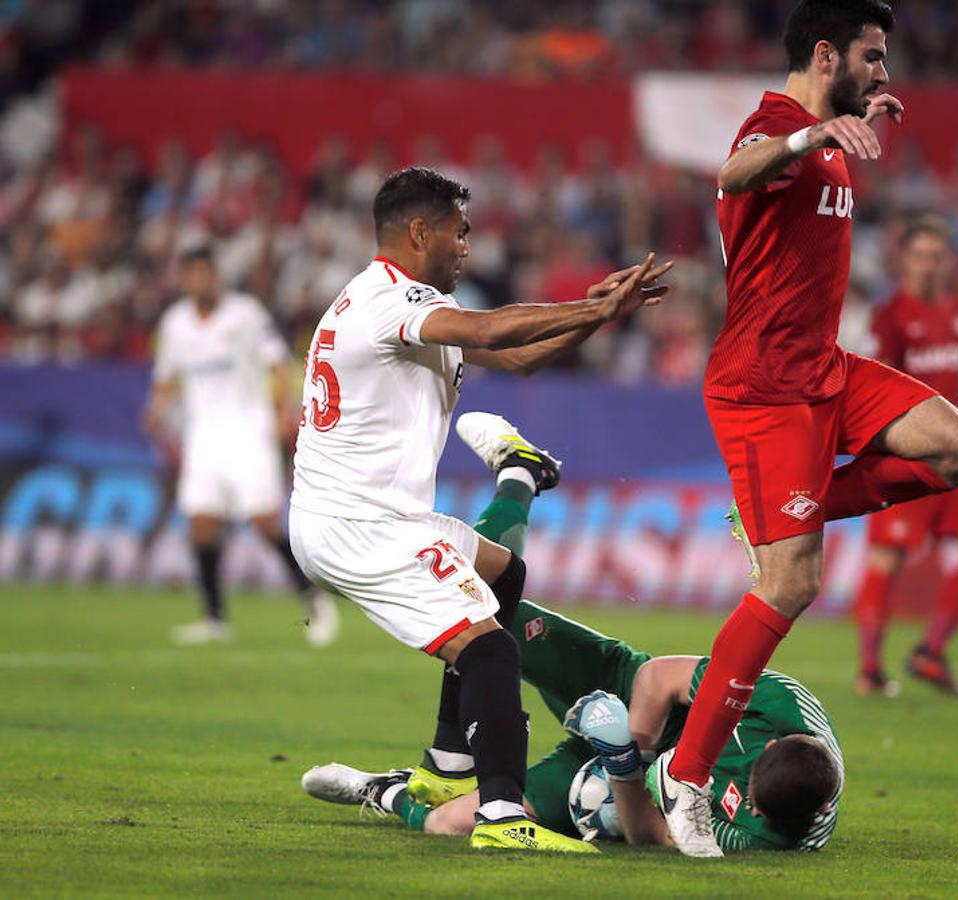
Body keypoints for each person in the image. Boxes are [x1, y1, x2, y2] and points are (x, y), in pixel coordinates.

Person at [666, 0, 958, 856]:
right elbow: (734, 176)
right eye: (871, 57)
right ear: (824, 53)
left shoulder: (831, 141)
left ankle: (771, 520)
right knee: (790, 584)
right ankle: (685, 779)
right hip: (764, 388)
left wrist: (846, 127)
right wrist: (817, 136)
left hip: (825, 370)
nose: (883, 71)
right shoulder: (774, 128)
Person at [287, 166, 670, 853]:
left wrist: (596, 315)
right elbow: (491, 331)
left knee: (501, 577)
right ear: (419, 231)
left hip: (360, 514)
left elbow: (517, 358)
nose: (468, 246)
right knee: (489, 648)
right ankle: (501, 816)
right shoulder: (390, 301)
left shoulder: (403, 305)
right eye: (460, 232)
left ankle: (447, 765)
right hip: (361, 524)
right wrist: (591, 310)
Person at [301, 414, 844, 853]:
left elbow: (647, 836)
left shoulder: (769, 835)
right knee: (485, 600)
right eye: (750, 793)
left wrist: (621, 763)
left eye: (751, 807)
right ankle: (520, 472)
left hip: (626, 768)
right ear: (770, 745)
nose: (747, 804)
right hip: (631, 691)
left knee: (449, 824)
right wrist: (636, 738)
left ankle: (383, 790)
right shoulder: (778, 704)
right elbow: (658, 679)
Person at [144, 245, 340, 647]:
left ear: (217, 276)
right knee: (201, 524)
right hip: (202, 436)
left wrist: (280, 410)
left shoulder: (245, 313)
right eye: (193, 274)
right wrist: (157, 405)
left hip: (248, 431)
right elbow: (168, 376)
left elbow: (276, 362)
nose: (201, 281)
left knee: (263, 521)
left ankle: (314, 598)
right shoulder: (176, 322)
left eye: (206, 273)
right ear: (184, 279)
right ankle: (215, 619)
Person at [853, 217, 958, 697]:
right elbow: (877, 384)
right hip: (912, 455)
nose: (928, 265)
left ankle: (930, 652)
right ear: (904, 260)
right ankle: (870, 671)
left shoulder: (957, 312)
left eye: (937, 256)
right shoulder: (891, 316)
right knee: (886, 559)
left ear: (949, 261)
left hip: (952, 459)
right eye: (920, 256)